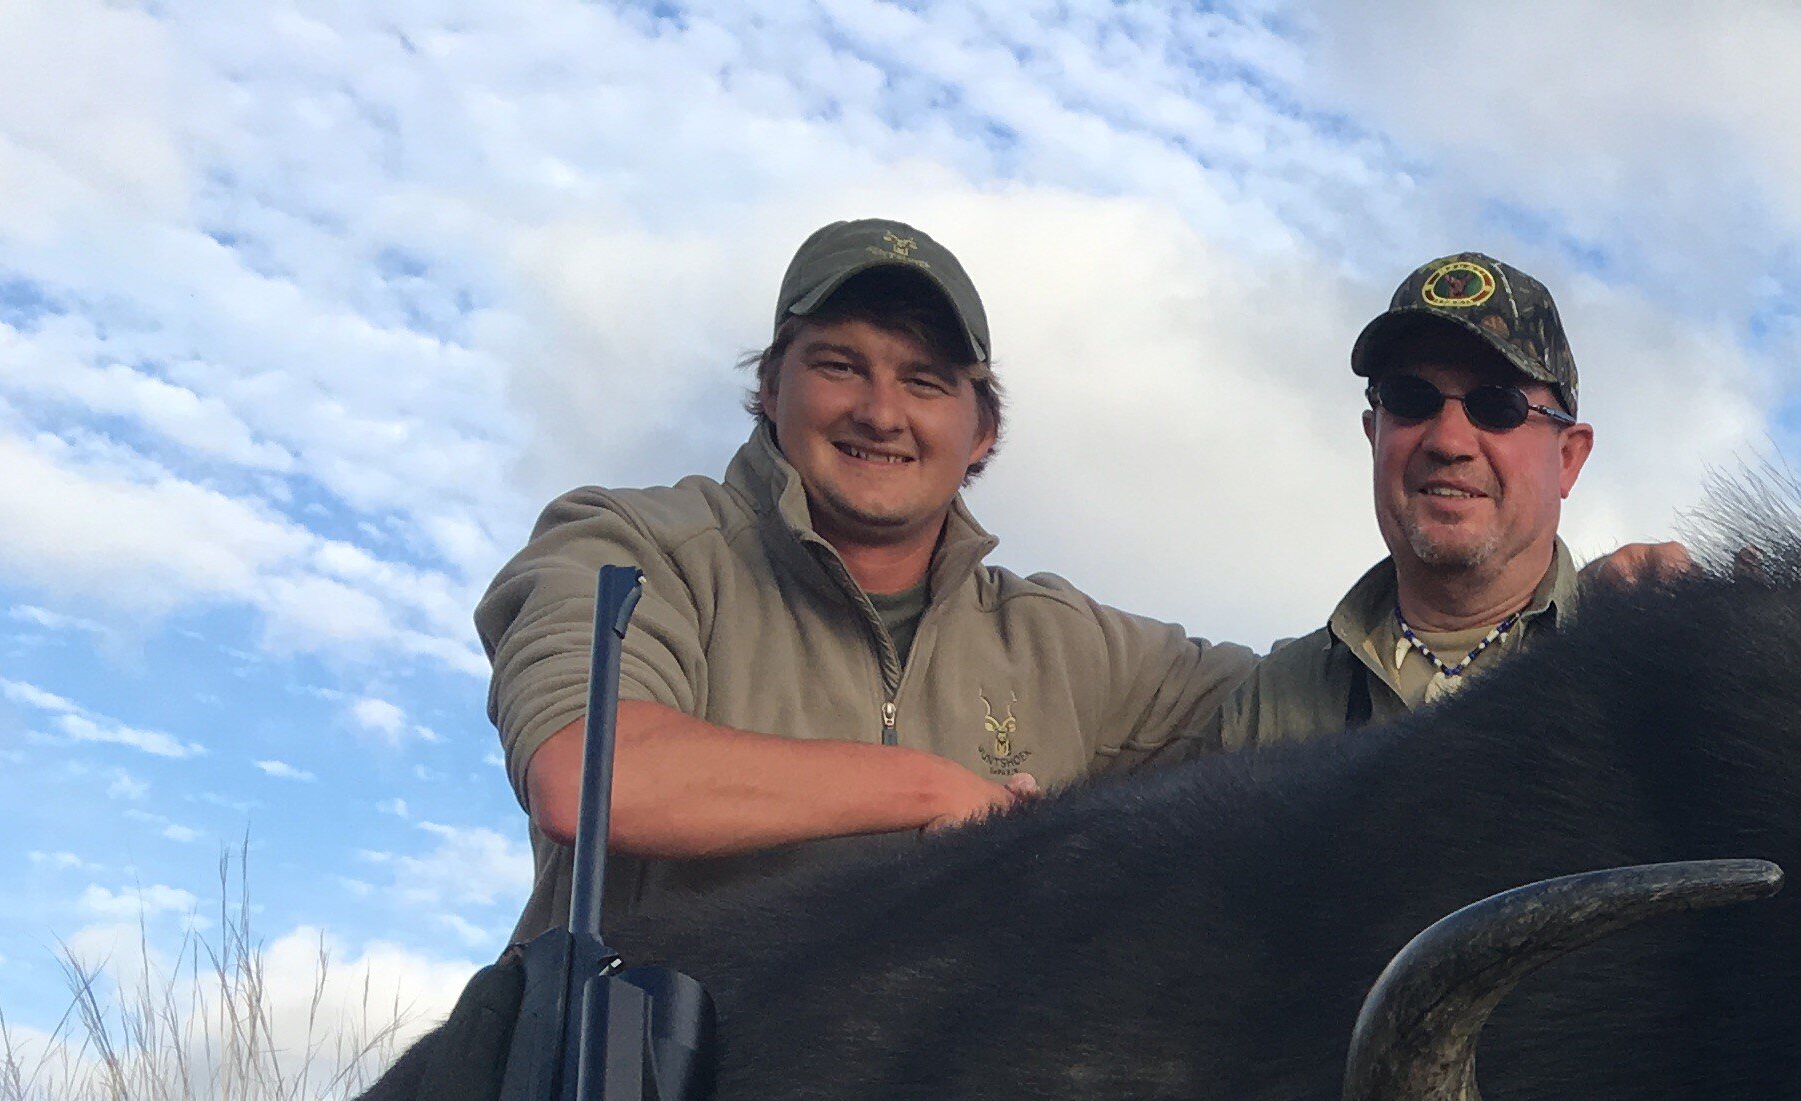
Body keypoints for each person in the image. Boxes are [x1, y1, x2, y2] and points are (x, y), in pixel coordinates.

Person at [473, 218, 1257, 946]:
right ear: (773, 390)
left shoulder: (1067, 645)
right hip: (641, 1085)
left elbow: (1329, 698)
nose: (881, 413)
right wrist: (932, 791)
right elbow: (588, 773)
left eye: (925, 381)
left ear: (981, 431)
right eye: (841, 366)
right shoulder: (630, 543)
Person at [1225, 253, 1684, 739]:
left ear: (1569, 458)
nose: (1448, 441)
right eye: (1410, 399)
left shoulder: (1660, 667)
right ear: (1373, 436)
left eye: (1498, 406)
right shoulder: (1268, 704)